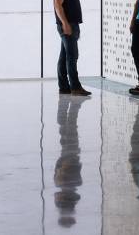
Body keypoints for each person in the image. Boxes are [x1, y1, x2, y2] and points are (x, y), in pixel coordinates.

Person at [53, 0, 91, 96]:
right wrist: (65, 24)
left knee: (65, 56)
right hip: (67, 25)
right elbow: (58, 5)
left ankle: (64, 87)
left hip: (72, 25)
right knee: (72, 56)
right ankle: (75, 87)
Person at [54, 94, 88, 228]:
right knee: (68, 128)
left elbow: (62, 168)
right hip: (69, 155)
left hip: (69, 154)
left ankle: (72, 106)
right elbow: (65, 168)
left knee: (67, 129)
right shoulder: (64, 183)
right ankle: (73, 106)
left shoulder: (69, 184)